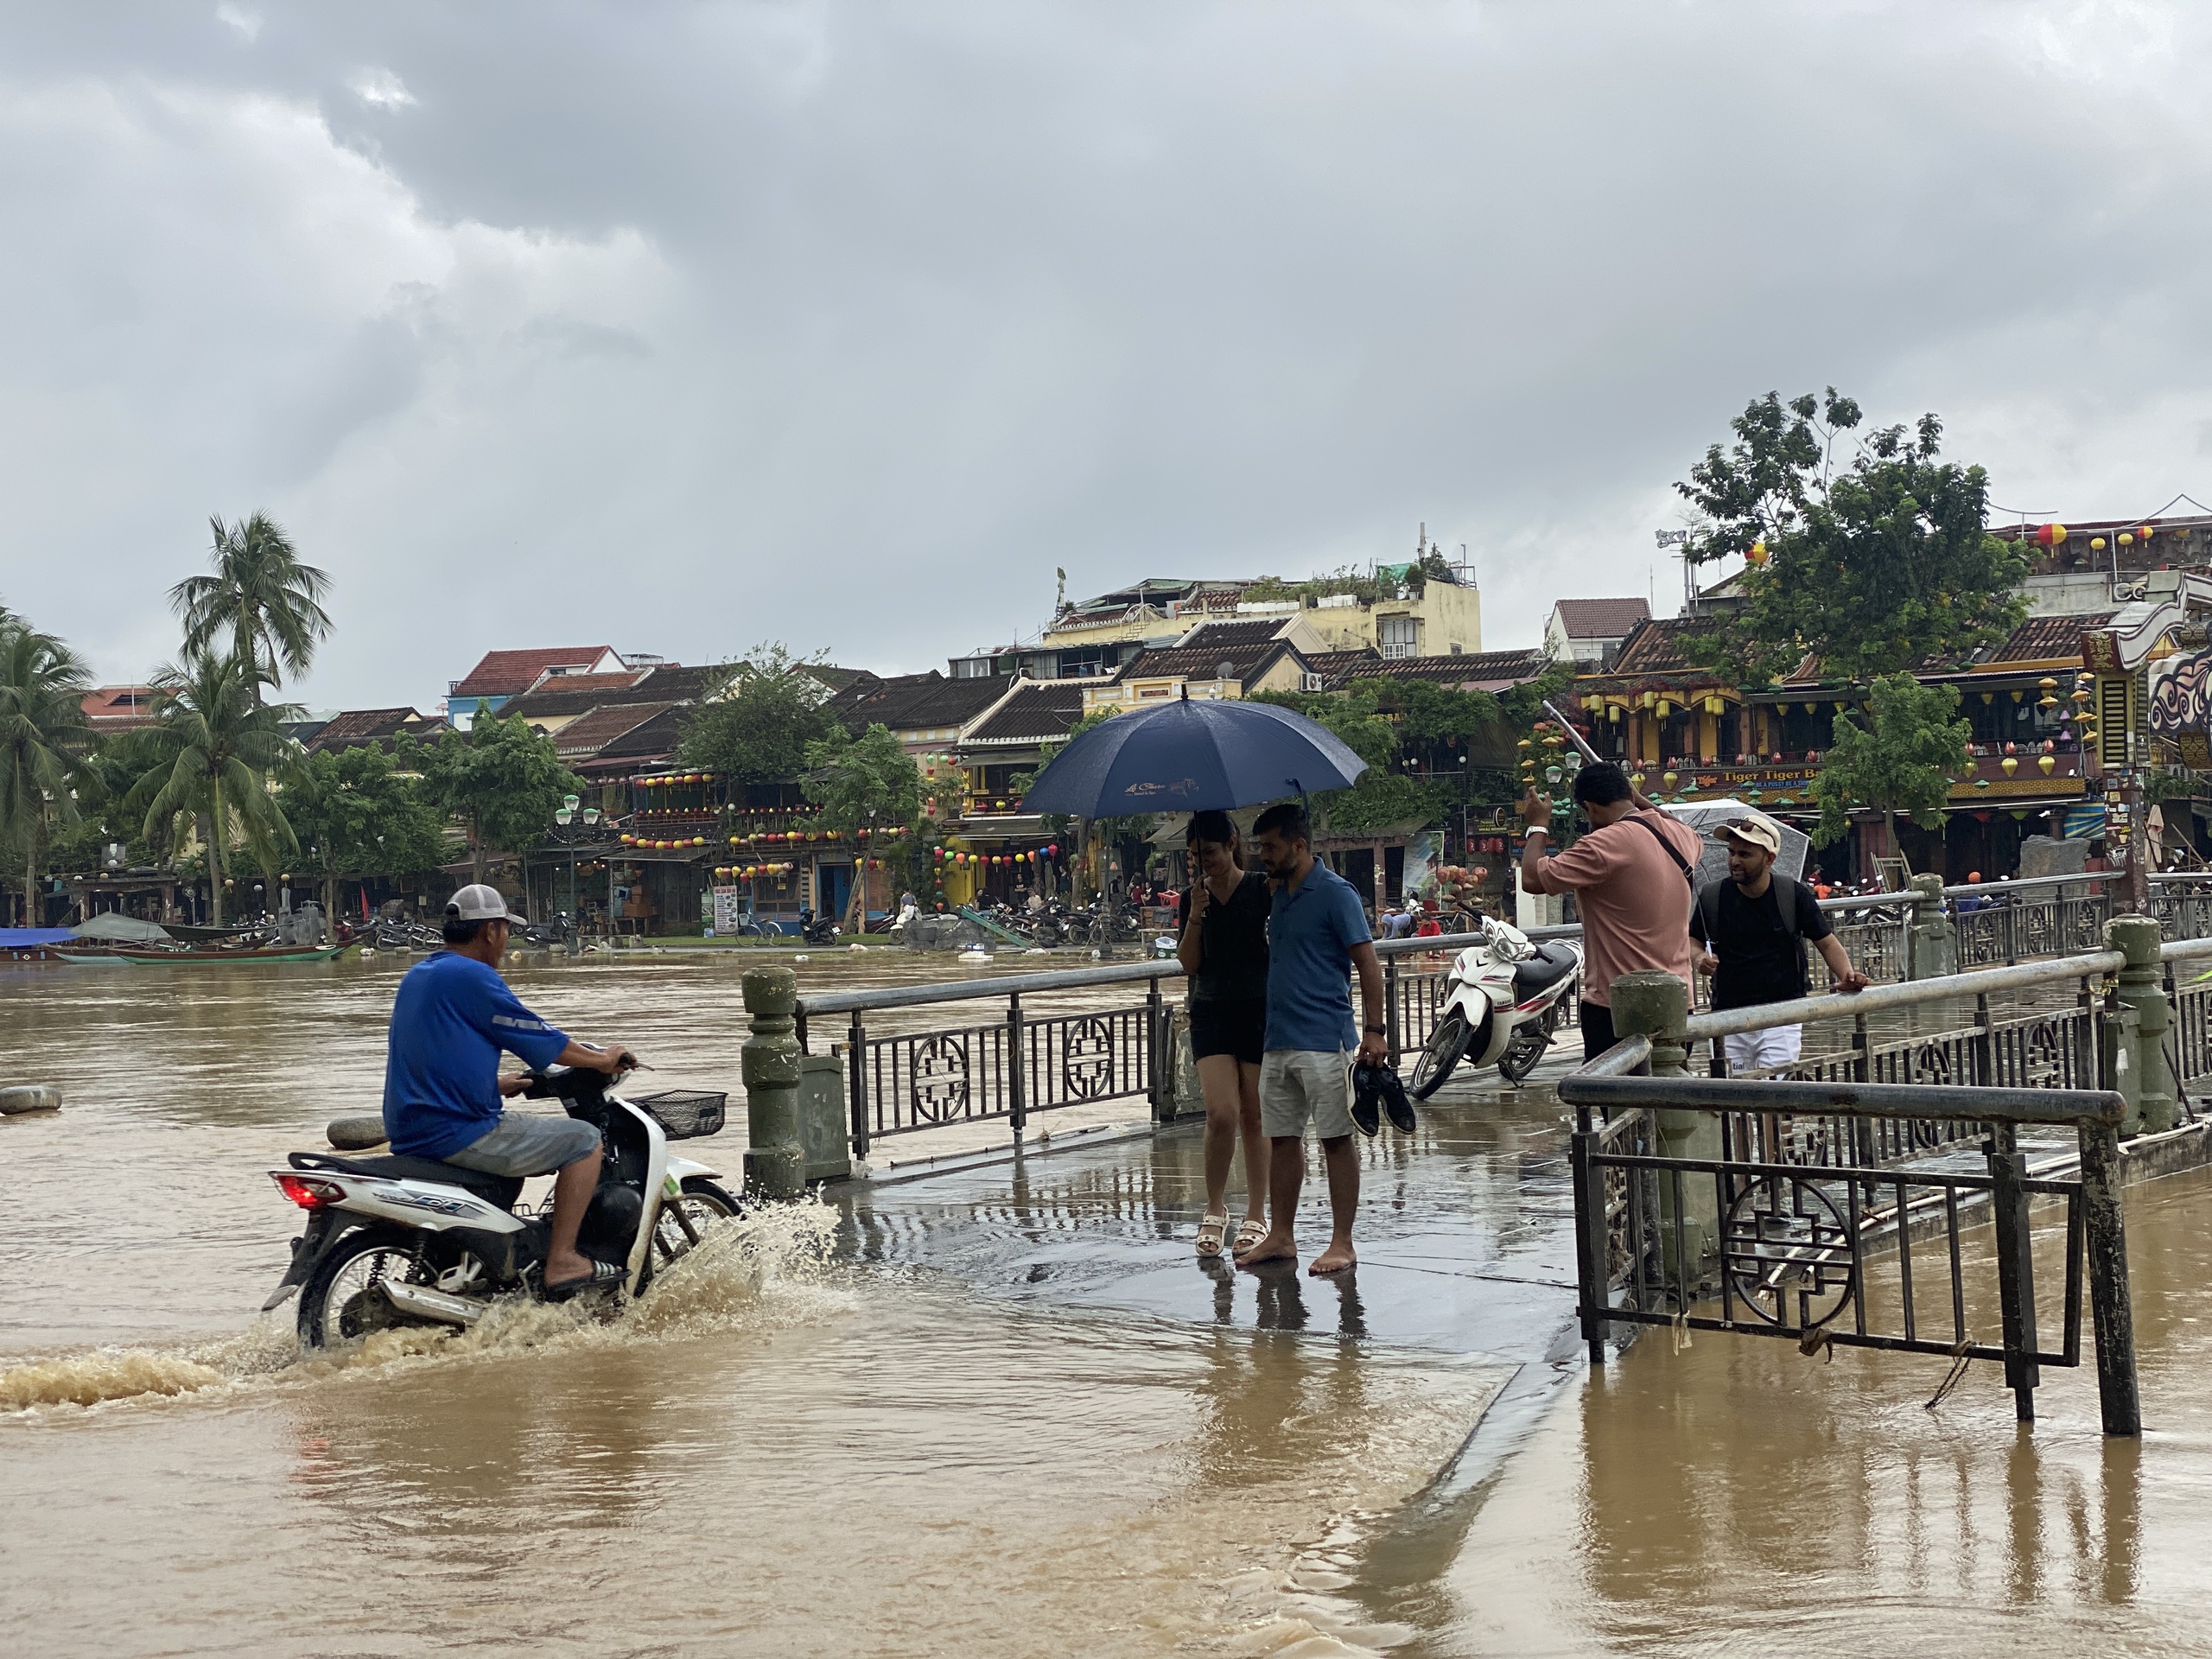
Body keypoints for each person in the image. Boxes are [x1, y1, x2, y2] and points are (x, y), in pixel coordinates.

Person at [382, 884, 642, 1300]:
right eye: (505, 930)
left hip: (415, 1125)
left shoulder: (422, 974)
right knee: (585, 1141)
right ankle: (562, 1261)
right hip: (458, 1129)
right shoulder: (473, 976)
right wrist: (603, 1059)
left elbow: (430, 1055)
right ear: (490, 931)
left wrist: (492, 1085)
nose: (507, 941)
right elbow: (540, 1038)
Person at [1240, 802, 1388, 1277]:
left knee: (1336, 1140)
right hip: (1277, 1037)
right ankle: (1281, 1235)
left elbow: (1367, 964)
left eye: (1270, 846)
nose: (1263, 854)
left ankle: (1342, 1242)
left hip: (1326, 1039)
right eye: (1259, 846)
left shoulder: (1335, 893)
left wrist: (1375, 1031)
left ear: (1299, 846)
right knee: (1281, 1139)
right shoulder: (1277, 892)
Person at [1519, 762, 1706, 1061]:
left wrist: (1538, 824)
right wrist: (1639, 800)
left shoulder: (1601, 845)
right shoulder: (1682, 837)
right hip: (1677, 1001)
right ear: (1628, 794)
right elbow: (1681, 825)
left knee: (1619, 1101)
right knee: (1669, 1097)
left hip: (1616, 1005)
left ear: (1590, 809)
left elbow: (1531, 879)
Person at [1690, 815, 1868, 1071]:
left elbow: (1826, 942)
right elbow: (1693, 939)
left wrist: (1846, 975)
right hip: (1727, 1014)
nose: (1734, 861)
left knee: (1775, 1093)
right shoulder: (1713, 896)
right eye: (1732, 853)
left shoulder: (1792, 895)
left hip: (1782, 1014)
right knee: (1734, 1097)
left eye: (1745, 854)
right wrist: (1699, 959)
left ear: (1769, 859)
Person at [1175, 810, 1272, 1261]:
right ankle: (1214, 1205)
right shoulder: (1192, 897)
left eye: (1209, 853)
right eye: (1195, 856)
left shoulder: (1261, 888)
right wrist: (1195, 915)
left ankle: (1257, 1213)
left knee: (1255, 1114)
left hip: (1257, 1008)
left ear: (1232, 843)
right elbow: (1190, 965)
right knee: (1221, 1113)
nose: (1203, 863)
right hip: (1211, 1009)